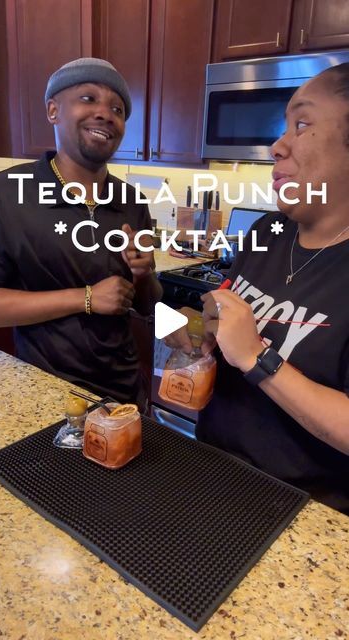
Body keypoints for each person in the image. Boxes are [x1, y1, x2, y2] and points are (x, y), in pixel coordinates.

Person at [166, 62, 349, 514]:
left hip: (300, 514)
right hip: (209, 473)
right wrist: (209, 329)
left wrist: (256, 357)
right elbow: (231, 314)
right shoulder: (269, 231)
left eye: (302, 124)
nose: (277, 146)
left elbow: (251, 349)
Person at [0, 58, 162, 408]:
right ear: (53, 110)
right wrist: (85, 297)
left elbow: (147, 306)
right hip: (45, 395)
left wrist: (144, 275)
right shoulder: (5, 194)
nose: (105, 113)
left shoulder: (132, 202)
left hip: (124, 395)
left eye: (117, 108)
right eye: (88, 98)